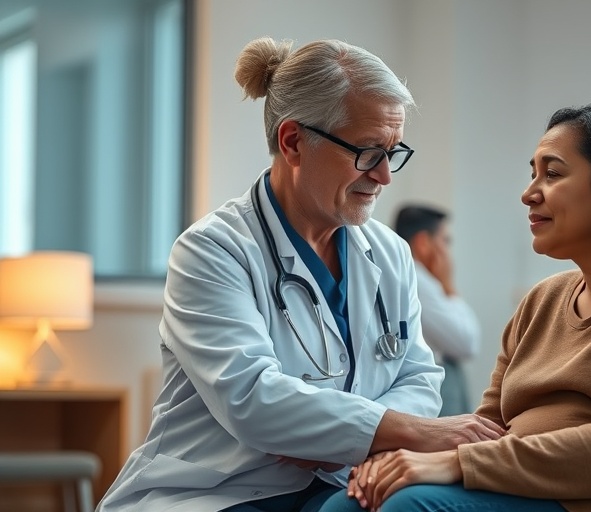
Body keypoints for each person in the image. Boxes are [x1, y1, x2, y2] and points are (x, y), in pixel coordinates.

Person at [96, 37, 505, 512]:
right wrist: (408, 431)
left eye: (393, 152)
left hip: (339, 483)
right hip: (218, 491)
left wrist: (347, 439)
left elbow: (417, 375)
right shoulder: (212, 250)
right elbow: (255, 400)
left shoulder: (389, 253)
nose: (385, 176)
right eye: (369, 152)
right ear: (293, 141)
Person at [318, 101, 591, 512]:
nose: (529, 193)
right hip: (531, 491)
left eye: (552, 174)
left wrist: (455, 465)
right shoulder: (543, 301)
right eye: (532, 173)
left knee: (409, 508)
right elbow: (488, 427)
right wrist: (408, 458)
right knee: (347, 505)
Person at [393, 205, 481, 416]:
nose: (447, 250)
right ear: (423, 243)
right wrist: (448, 284)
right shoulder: (417, 279)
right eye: (445, 241)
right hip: (433, 389)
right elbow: (466, 343)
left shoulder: (408, 274)